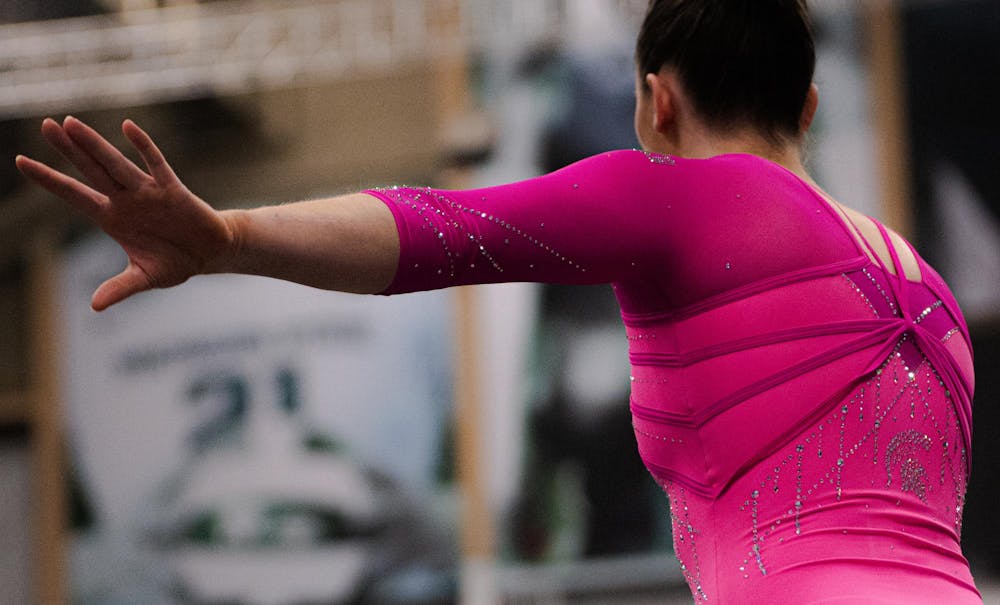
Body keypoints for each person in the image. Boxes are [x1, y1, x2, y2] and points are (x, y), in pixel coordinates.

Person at [15, 0, 982, 603]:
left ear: (657, 104)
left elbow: (442, 228)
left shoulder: (679, 194)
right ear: (807, 107)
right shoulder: (927, 289)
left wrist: (230, 236)